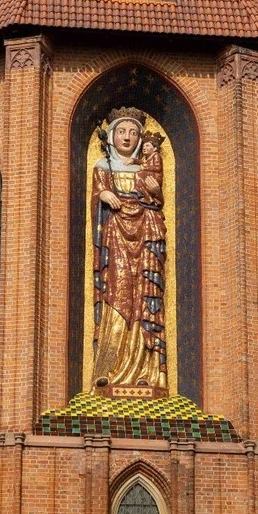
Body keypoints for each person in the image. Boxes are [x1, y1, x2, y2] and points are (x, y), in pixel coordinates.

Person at [91, 107, 167, 391]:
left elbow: (156, 202)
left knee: (142, 295)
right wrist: (103, 194)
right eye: (122, 131)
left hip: (144, 233)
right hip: (116, 238)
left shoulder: (146, 168)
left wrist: (156, 191)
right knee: (118, 292)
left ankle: (145, 369)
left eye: (133, 132)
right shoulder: (102, 167)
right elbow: (96, 201)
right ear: (111, 135)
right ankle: (108, 369)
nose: (128, 137)